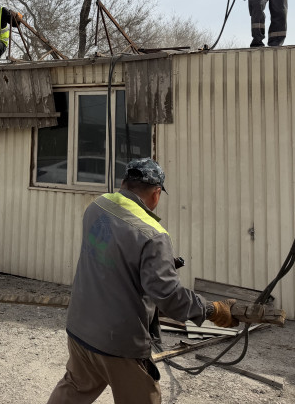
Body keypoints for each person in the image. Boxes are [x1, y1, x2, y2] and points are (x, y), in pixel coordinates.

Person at [47, 158, 238, 404]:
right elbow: (168, 296)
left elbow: (112, 259)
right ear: (156, 193)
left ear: (125, 183)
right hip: (118, 342)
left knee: (74, 389)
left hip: (80, 328)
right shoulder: (153, 234)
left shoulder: (97, 206)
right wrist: (212, 310)